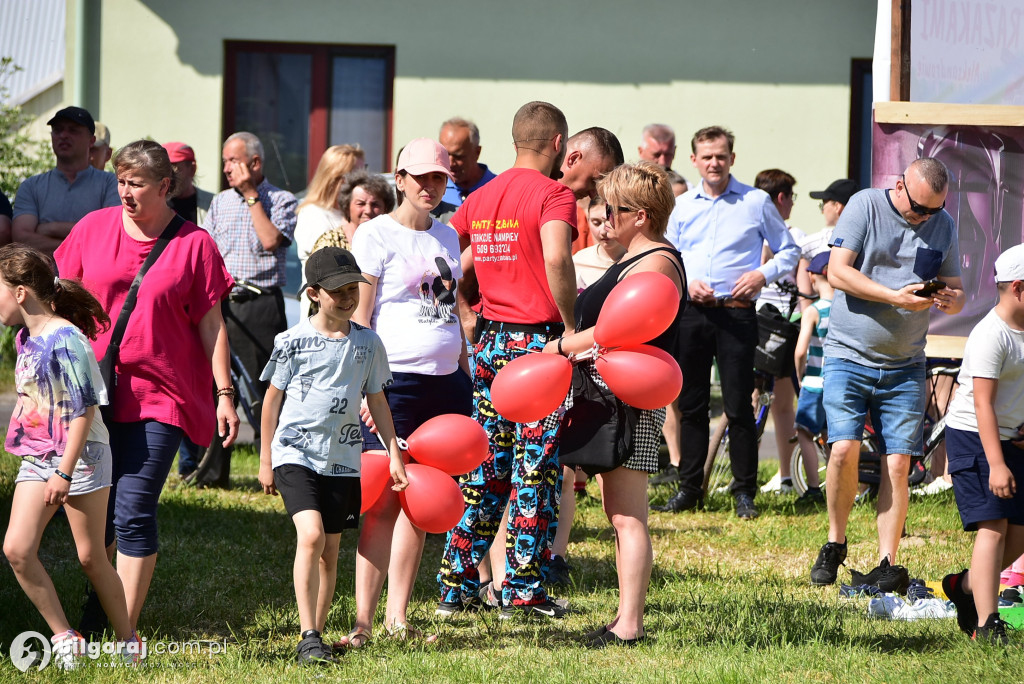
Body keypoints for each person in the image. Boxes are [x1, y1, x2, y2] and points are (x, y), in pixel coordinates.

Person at [55, 139, 239, 633]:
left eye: (136, 183)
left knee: (134, 507)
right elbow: (59, 299)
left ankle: (123, 630)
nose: (126, 192)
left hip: (162, 394)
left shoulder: (194, 243)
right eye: (121, 181)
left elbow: (211, 324)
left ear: (165, 186)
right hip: (92, 395)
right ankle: (102, 603)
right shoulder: (93, 228)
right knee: (102, 509)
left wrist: (224, 393)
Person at [437, 101, 578, 618]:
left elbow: (452, 263)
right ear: (559, 144)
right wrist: (571, 325)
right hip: (538, 346)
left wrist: (466, 311)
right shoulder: (554, 194)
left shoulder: (481, 195)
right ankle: (523, 589)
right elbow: (558, 257)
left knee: (484, 465)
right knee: (535, 467)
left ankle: (457, 585)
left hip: (492, 343)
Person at [809, 158, 965, 587]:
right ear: (899, 186)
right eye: (919, 209)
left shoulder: (943, 223)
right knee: (843, 451)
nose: (925, 218)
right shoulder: (864, 205)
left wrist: (949, 299)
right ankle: (835, 544)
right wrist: (894, 297)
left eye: (934, 211)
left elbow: (957, 291)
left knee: (898, 464)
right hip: (848, 355)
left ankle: (886, 561)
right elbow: (837, 271)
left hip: (906, 363)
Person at [342, 138, 472, 646]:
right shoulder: (375, 234)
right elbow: (360, 317)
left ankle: (398, 618)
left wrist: (465, 367)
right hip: (394, 384)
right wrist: (362, 387)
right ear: (399, 179)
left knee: (418, 502)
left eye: (438, 178)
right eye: (419, 178)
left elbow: (452, 310)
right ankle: (362, 625)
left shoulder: (448, 236)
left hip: (446, 386)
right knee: (382, 503)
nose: (429, 186)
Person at [549, 162, 685, 646]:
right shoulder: (638, 258)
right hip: (617, 394)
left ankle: (629, 625)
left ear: (641, 216)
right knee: (619, 513)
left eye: (614, 209)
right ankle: (624, 620)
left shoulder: (656, 263)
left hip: (630, 399)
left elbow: (623, 329)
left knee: (628, 516)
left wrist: (561, 347)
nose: (605, 216)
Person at [259, 246, 408, 666]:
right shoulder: (291, 341)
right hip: (295, 453)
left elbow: (377, 401)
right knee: (310, 537)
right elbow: (272, 401)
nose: (347, 297)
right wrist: (267, 458)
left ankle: (318, 636)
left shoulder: (369, 344)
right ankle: (307, 635)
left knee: (329, 551)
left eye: (353, 289)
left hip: (344, 459)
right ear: (313, 293)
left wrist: (393, 453)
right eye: (337, 290)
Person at [0, 245, 141, 668]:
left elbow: (84, 410)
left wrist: (64, 471)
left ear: (21, 292)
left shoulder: (66, 340)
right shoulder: (27, 337)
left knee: (90, 557)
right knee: (17, 549)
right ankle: (66, 637)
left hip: (81, 459)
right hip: (38, 457)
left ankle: (129, 643)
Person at [657, 126, 799, 519]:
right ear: (694, 161)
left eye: (721, 156)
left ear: (732, 158)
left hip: (737, 311)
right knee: (692, 404)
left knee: (738, 405)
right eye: (706, 157)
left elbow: (789, 251)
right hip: (693, 312)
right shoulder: (682, 206)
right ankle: (689, 488)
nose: (714, 163)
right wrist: (685, 282)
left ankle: (743, 492)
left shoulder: (755, 202)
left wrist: (762, 275)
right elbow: (666, 254)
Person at [198, 131, 297, 487]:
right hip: (223, 306)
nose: (226, 168)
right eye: (224, 160)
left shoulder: (282, 199)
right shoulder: (221, 202)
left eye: (233, 161)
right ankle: (212, 474)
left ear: (255, 163)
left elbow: (271, 241)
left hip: (261, 305)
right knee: (216, 387)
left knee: (265, 389)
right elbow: (205, 249)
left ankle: (270, 470)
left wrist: (252, 197)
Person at [941, 243, 1024, 645]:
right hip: (975, 437)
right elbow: (982, 403)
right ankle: (988, 624)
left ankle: (965, 586)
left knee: (1020, 533)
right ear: (1019, 289)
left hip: (1014, 438)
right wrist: (996, 464)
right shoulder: (991, 335)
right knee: (994, 526)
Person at [753, 169, 806, 496]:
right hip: (766, 322)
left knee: (781, 404)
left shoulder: (793, 235)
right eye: (791, 198)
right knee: (757, 402)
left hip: (775, 325)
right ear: (782, 198)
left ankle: (785, 476)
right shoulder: (783, 234)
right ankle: (748, 473)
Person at [12, 106, 119, 257]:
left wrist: (50, 229)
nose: (63, 135)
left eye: (73, 130)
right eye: (58, 130)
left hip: (90, 279)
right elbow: (22, 239)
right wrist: (83, 244)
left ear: (91, 141)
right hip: (44, 279)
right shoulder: (31, 186)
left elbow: (111, 234)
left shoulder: (111, 183)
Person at [294, 145, 366, 315]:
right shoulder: (313, 214)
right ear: (337, 178)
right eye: (358, 175)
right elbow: (327, 268)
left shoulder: (351, 213)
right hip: (325, 313)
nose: (364, 180)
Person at [792, 251, 834, 503]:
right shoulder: (845, 310)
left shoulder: (813, 311)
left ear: (811, 276)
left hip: (815, 383)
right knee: (832, 437)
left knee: (805, 433)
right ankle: (838, 486)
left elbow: (800, 351)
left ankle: (814, 488)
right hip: (838, 382)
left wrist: (800, 375)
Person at [308, 170, 394, 255]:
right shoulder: (329, 244)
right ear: (347, 207)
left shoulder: (393, 242)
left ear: (385, 208)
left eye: (375, 204)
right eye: (361, 204)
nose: (368, 210)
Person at [439, 117, 497, 207]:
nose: (450, 163)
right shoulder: (433, 190)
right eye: (445, 154)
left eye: (458, 156)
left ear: (477, 152)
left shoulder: (499, 188)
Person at [162, 142, 214, 226]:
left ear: (192, 169)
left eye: (174, 168)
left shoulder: (213, 204)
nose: (168, 176)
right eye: (164, 169)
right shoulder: (154, 204)